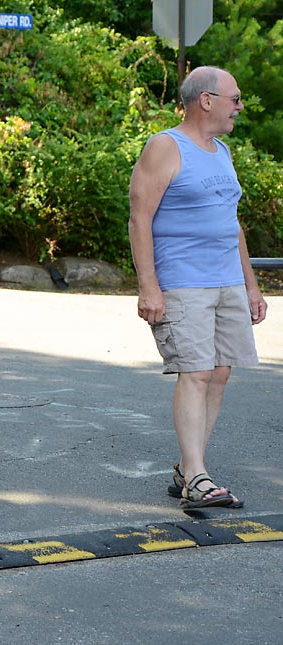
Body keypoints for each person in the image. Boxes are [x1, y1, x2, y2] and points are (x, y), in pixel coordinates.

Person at [128, 66, 267, 510]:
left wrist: (251, 285)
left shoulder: (222, 150)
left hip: (226, 280)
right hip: (183, 282)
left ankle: (190, 469)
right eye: (235, 98)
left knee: (220, 372)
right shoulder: (165, 147)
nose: (240, 107)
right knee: (197, 371)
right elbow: (140, 218)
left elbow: (232, 224)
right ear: (206, 100)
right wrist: (148, 285)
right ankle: (196, 479)